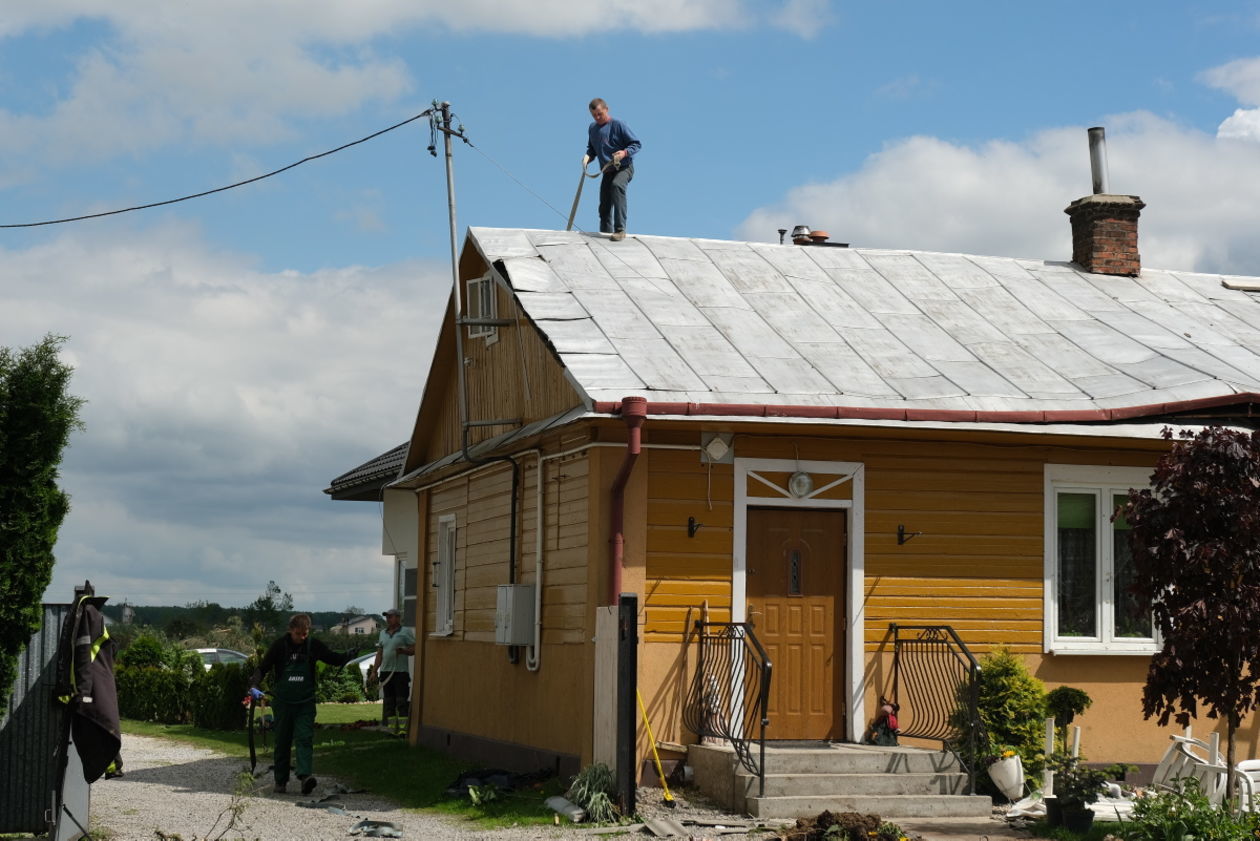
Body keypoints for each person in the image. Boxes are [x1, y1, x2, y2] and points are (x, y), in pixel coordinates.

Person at [250, 613, 353, 795]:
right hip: (283, 703)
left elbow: (332, 658)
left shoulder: (313, 646)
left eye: (305, 633)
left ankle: (305, 777)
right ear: (290, 630)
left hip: (305, 703)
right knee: (282, 741)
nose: (302, 637)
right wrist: (253, 685)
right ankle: (280, 781)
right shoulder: (279, 646)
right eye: (298, 634)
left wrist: (347, 656)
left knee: (304, 738)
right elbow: (263, 667)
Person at [582, 97, 641, 241]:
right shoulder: (593, 129)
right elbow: (592, 149)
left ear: (606, 110)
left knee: (617, 186)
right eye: (594, 115)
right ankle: (606, 234)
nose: (597, 117)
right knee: (604, 205)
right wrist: (587, 157)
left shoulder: (618, 125)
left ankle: (620, 230)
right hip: (607, 172)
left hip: (624, 167)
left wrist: (624, 153)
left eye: (600, 114)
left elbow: (636, 144)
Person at [372, 607, 416, 733]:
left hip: (400, 672)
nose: (388, 619)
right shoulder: (382, 633)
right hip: (386, 673)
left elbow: (414, 649)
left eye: (390, 616)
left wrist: (403, 651)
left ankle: (403, 730)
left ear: (398, 618)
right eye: (387, 617)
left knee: (401, 701)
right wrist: (374, 671)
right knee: (389, 702)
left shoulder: (405, 632)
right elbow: (379, 653)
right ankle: (391, 729)